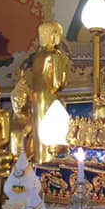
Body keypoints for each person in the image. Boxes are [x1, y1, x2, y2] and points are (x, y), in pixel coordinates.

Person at [27, 21, 71, 166]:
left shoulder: (38, 57)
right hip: (50, 98)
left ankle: (39, 163)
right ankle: (49, 166)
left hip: (36, 99)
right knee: (52, 135)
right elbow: (58, 84)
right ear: (54, 35)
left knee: (38, 132)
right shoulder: (55, 55)